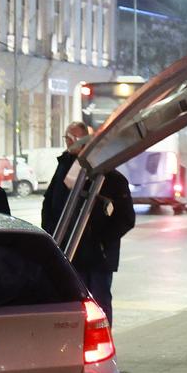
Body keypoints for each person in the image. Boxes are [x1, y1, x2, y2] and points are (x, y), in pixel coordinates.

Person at [41, 122, 136, 323]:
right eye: (68, 138)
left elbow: (126, 218)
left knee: (99, 304)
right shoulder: (63, 171)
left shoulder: (110, 177)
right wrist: (52, 235)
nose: (70, 143)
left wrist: (101, 241)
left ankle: (101, 348)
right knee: (73, 305)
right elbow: (50, 205)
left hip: (98, 258)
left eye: (75, 139)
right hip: (68, 253)